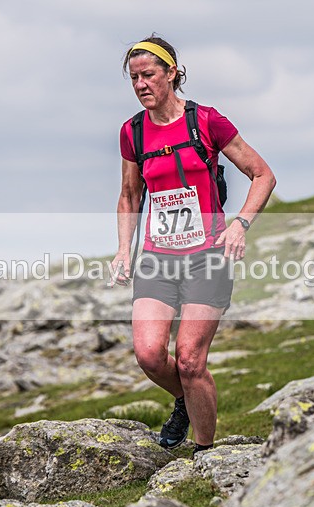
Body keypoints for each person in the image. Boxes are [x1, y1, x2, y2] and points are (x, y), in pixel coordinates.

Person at [110, 35, 276, 456]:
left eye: (148, 75)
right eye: (134, 78)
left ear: (172, 73)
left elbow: (263, 175)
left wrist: (240, 224)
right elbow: (130, 195)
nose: (141, 84)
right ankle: (185, 399)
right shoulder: (132, 132)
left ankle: (205, 455)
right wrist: (123, 250)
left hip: (207, 258)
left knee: (189, 360)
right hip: (158, 258)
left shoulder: (206, 121)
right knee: (149, 355)